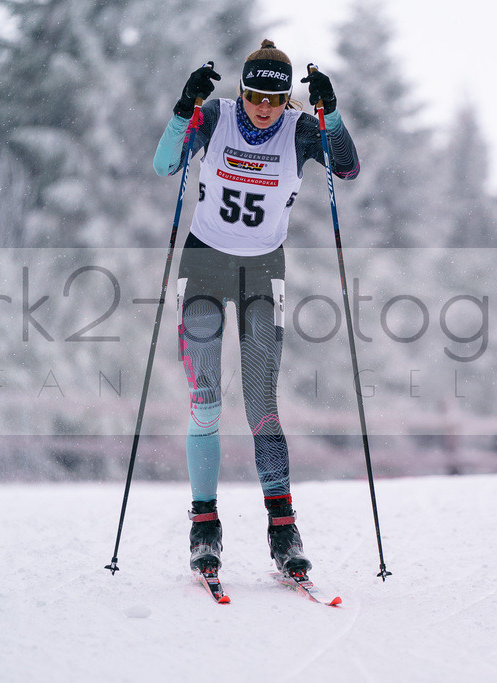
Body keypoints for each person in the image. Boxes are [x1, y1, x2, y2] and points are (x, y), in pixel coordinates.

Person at [153, 40, 359, 577]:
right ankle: (204, 528)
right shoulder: (216, 117)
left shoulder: (300, 129)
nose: (264, 108)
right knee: (205, 403)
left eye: (275, 98)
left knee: (262, 406)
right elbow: (164, 164)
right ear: (240, 91)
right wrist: (184, 109)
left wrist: (332, 114)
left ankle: (283, 531)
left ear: (288, 98)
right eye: (254, 96)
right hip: (203, 265)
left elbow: (347, 168)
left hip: (263, 272)